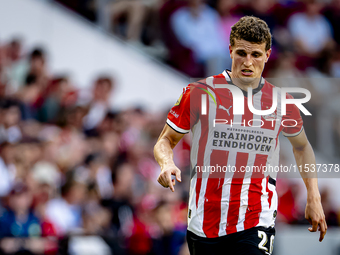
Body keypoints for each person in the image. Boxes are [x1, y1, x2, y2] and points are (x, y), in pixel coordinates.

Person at [154, 16, 327, 255]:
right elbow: (165, 140)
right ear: (230, 50)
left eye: (255, 54)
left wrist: (313, 197)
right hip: (204, 221)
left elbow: (302, 147)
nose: (248, 62)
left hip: (256, 219)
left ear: (267, 55)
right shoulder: (199, 92)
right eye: (241, 53)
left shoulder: (281, 102)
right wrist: (167, 163)